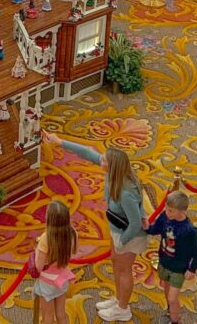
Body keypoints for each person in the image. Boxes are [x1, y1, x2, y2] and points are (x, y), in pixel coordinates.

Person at [43, 130, 144, 322]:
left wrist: (122, 241)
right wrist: (60, 142)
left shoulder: (125, 192)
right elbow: (88, 153)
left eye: (104, 160)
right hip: (117, 229)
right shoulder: (115, 175)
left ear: (113, 166)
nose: (100, 161)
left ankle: (123, 308)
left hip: (130, 235)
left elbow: (136, 221)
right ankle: (118, 299)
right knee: (116, 263)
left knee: (124, 269)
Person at [144, 191, 197, 324]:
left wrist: (192, 269)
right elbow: (156, 229)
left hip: (178, 268)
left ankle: (176, 321)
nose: (166, 212)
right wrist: (147, 228)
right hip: (164, 262)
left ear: (182, 212)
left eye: (170, 210)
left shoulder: (189, 230)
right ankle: (171, 313)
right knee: (166, 290)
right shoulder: (165, 217)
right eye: (166, 208)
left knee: (172, 298)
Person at [33, 200, 77, 324]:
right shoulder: (72, 233)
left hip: (47, 282)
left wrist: (37, 251)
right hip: (62, 279)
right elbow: (74, 251)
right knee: (61, 314)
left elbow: (38, 267)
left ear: (49, 219)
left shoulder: (45, 239)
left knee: (48, 316)